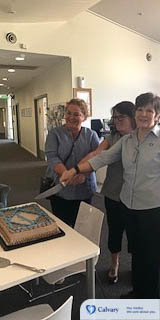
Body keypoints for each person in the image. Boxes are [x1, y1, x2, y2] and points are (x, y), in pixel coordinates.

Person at [60, 92, 160, 298]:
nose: (143, 114)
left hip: (152, 209)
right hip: (127, 205)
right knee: (138, 254)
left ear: (157, 115)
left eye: (149, 110)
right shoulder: (127, 141)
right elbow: (102, 158)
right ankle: (138, 292)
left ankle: (150, 299)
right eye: (139, 109)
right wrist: (76, 170)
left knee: (151, 256)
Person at [79, 101, 136, 284]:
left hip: (137, 198)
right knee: (115, 232)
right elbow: (96, 154)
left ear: (133, 117)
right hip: (113, 194)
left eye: (122, 117)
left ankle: (138, 265)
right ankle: (115, 264)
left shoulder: (142, 138)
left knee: (137, 234)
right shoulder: (111, 138)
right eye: (115, 117)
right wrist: (78, 169)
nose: (117, 120)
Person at [45, 98, 99, 227]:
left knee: (82, 225)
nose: (71, 117)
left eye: (77, 114)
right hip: (60, 188)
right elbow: (52, 157)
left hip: (84, 188)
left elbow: (97, 159)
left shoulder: (91, 135)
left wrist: (83, 175)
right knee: (62, 225)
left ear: (84, 117)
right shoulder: (54, 134)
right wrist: (67, 174)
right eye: (68, 113)